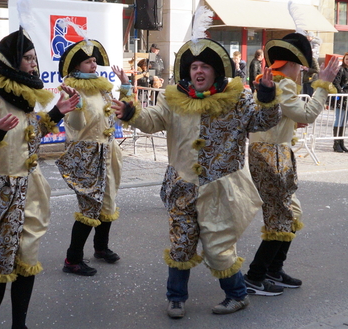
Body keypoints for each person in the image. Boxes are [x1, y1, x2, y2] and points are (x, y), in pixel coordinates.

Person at [111, 37, 281, 318]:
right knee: (181, 243)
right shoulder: (174, 99)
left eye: (204, 66)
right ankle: (176, 298)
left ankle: (237, 295)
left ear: (216, 70)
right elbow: (151, 120)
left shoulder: (237, 99)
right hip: (182, 184)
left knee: (219, 247)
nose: (198, 71)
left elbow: (263, 121)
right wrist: (131, 112)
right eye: (193, 67)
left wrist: (266, 96)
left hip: (221, 189)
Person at [0, 28, 79, 329]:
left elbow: (29, 139)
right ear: (12, 61)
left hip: (29, 188)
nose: (33, 64)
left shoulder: (27, 96)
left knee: (27, 259)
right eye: (27, 58)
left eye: (35, 58)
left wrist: (57, 113)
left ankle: (19, 324)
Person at [244, 33, 340, 296]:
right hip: (272, 154)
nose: (303, 70)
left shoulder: (273, 79)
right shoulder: (284, 84)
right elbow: (306, 114)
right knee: (280, 217)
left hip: (271, 151)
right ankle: (255, 276)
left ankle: (273, 270)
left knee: (291, 213)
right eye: (302, 64)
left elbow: (286, 117)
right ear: (295, 64)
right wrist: (324, 85)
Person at [56, 40, 132, 276]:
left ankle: (101, 248)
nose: (94, 64)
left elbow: (116, 115)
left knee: (108, 200)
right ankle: (72, 259)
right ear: (77, 65)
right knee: (89, 206)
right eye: (88, 61)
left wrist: (126, 85)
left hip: (108, 151)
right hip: (86, 154)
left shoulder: (102, 87)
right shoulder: (71, 89)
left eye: (94, 60)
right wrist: (76, 105)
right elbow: (77, 126)